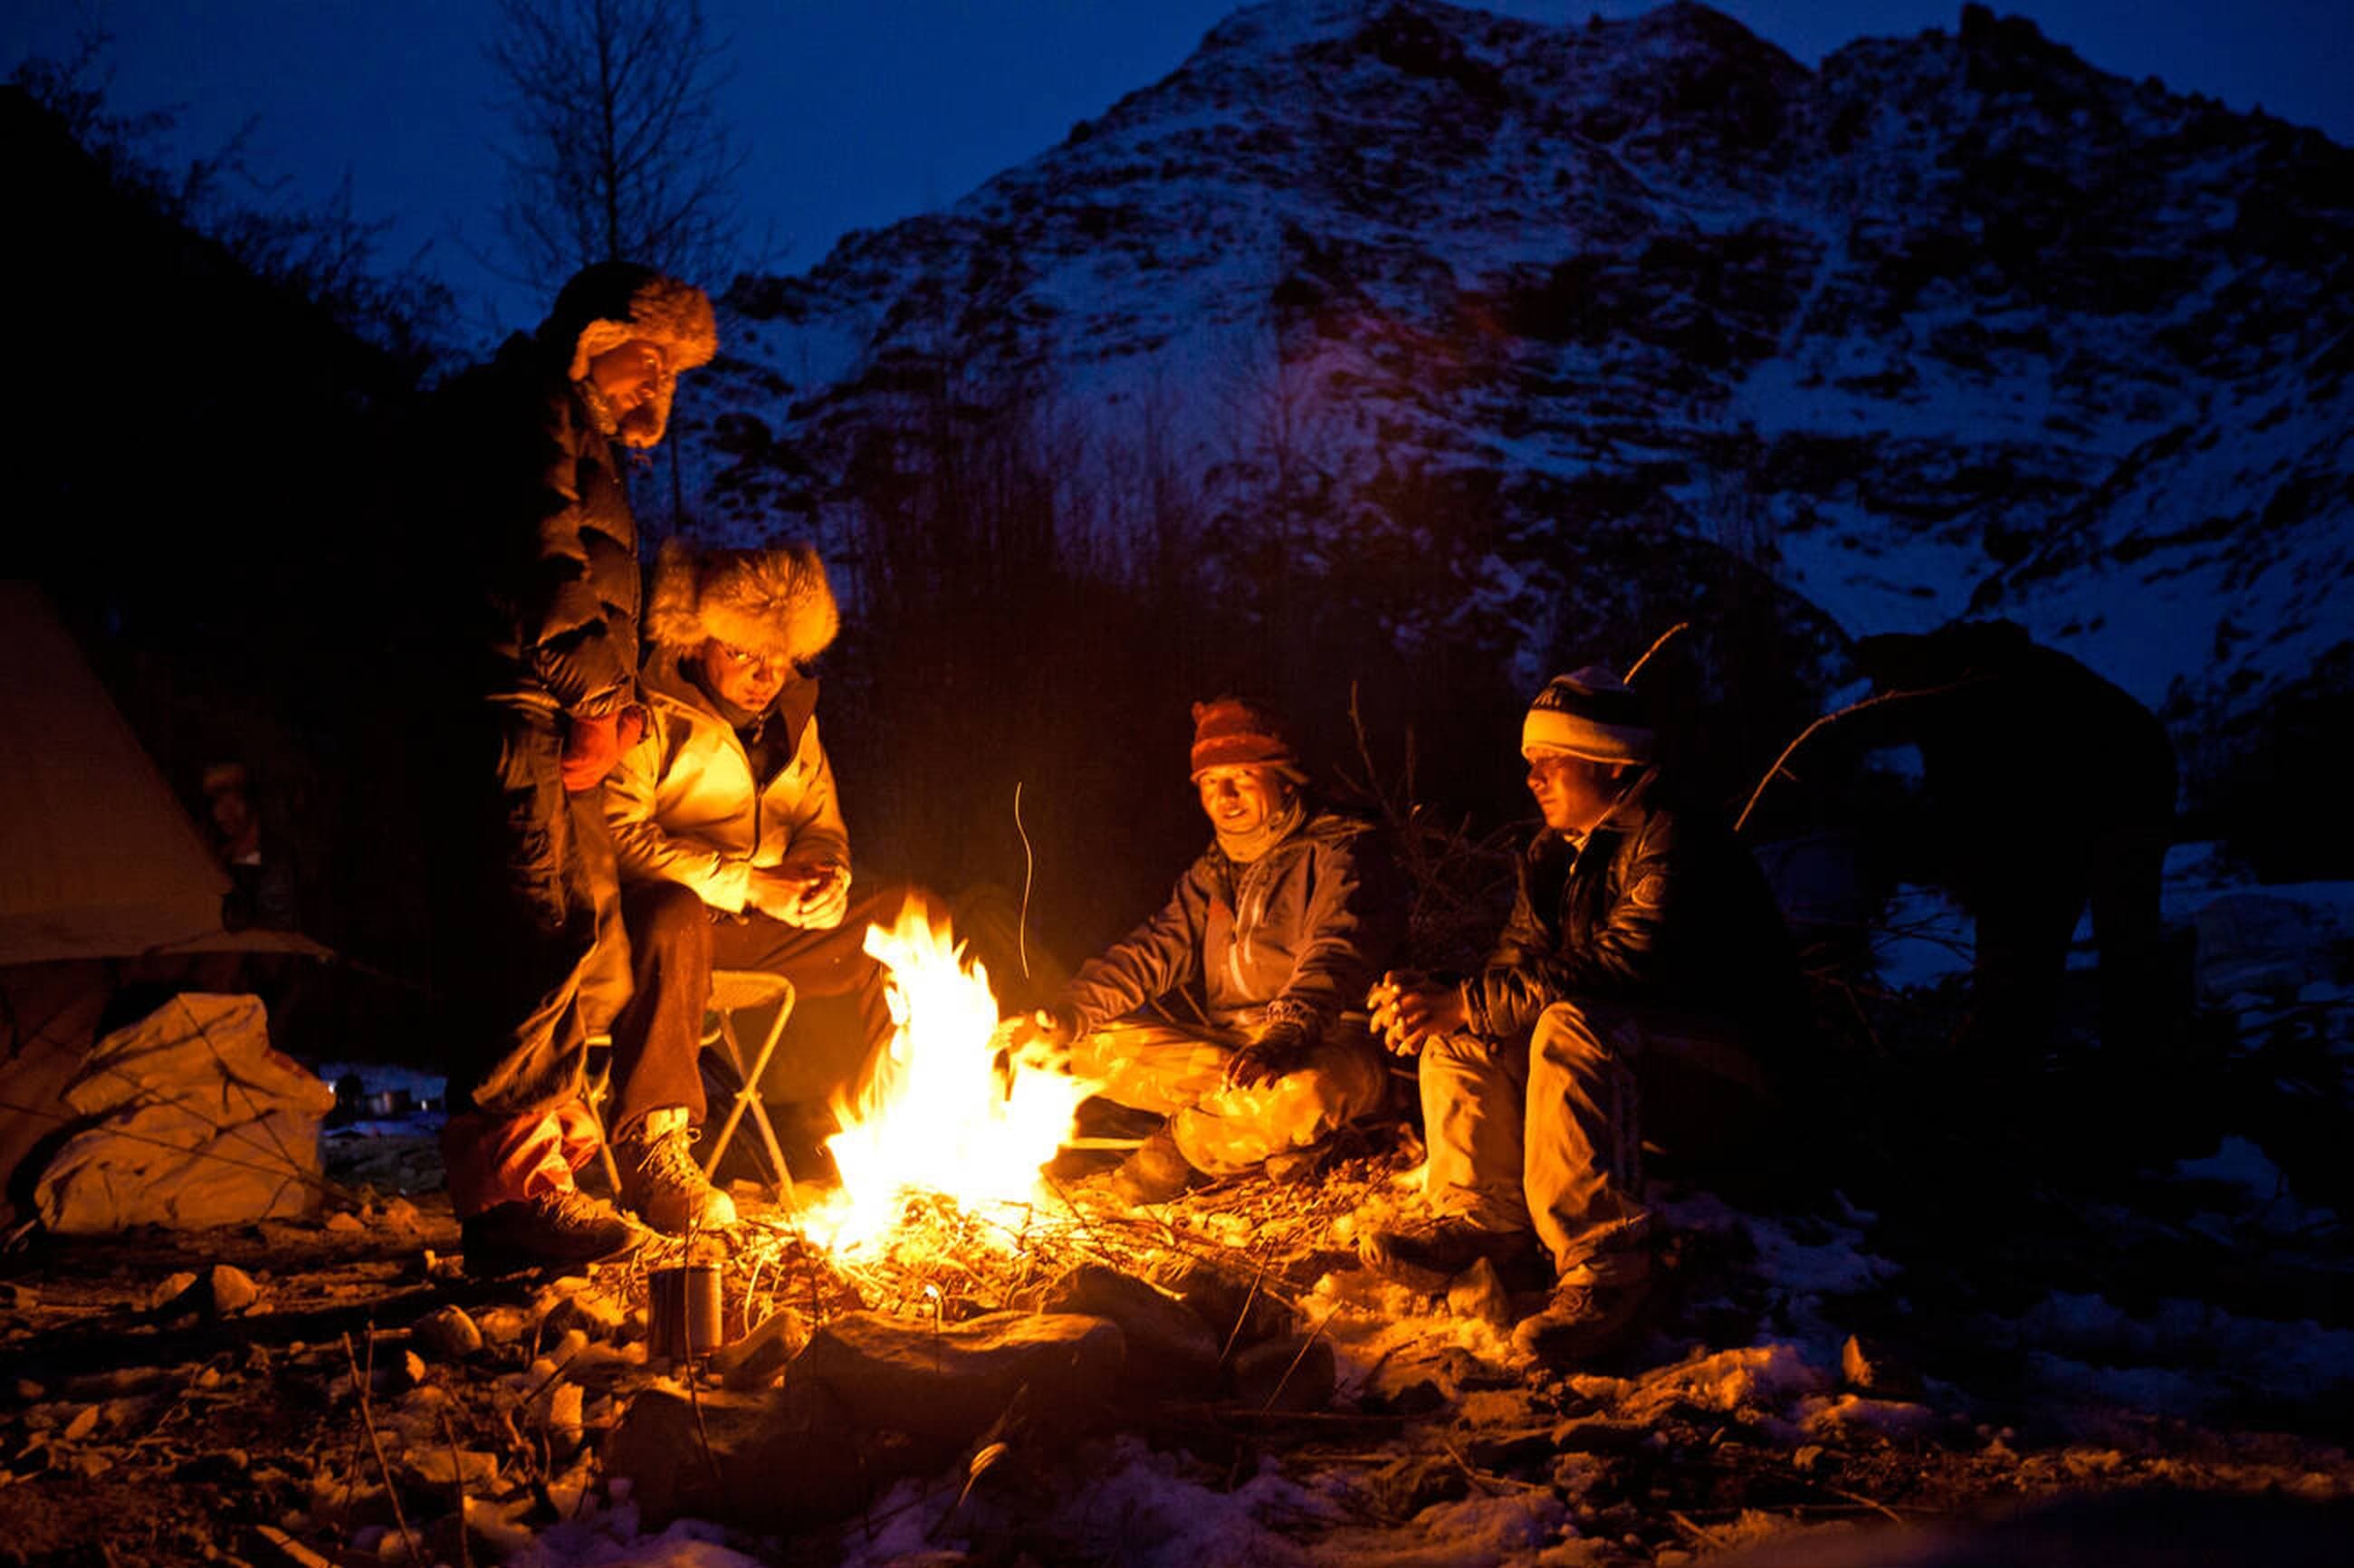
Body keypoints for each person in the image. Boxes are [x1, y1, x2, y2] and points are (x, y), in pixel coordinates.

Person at [1360, 666, 1807, 1362]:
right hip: (1633, 1062)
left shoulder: (1675, 838)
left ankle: (1607, 1266)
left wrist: (1468, 1000)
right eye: (1529, 762)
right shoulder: (1553, 857)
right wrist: (1438, 999)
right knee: (1464, 1033)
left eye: (1551, 761)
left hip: (1729, 1076)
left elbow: (1625, 968)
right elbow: (1513, 973)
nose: (1532, 777)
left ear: (1611, 763)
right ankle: (1488, 1221)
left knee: (1569, 1021)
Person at [427, 261, 719, 1274]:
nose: (659, 392)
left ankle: (548, 1178)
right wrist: (598, 697)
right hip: (524, 708)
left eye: (674, 377)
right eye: (650, 364)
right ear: (595, 340)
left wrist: (614, 706)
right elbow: (543, 558)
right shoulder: (530, 412)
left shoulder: (580, 432)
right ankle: (510, 1203)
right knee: (534, 939)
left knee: (580, 947)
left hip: (557, 715)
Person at [1003, 698, 1407, 1206]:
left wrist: (1285, 1032)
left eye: (1241, 776)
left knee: (1305, 1095)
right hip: (1236, 1057)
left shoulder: (1342, 853)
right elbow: (1153, 950)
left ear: (1284, 778)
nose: (1226, 795)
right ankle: (1268, 1142)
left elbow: (1338, 950)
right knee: (1067, 1050)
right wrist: (1065, 1014)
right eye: (1211, 783)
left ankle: (1185, 1151)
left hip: (1326, 1048)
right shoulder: (1212, 874)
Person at [600, 540, 916, 1189]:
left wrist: (827, 880)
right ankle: (655, 1150)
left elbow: (821, 826)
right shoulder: (651, 709)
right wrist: (748, 883)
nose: (764, 673)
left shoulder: (795, 721)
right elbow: (619, 836)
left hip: (759, 931)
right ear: (699, 643)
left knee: (908, 919)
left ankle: (909, 1121)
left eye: (777, 656)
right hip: (668, 935)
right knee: (675, 915)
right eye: (744, 651)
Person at [1846, 619, 2178, 1064]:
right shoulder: (1959, 684)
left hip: (2119, 790)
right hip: (2102, 784)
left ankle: (2124, 1061)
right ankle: (2057, 1048)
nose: (1878, 696)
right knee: (2050, 931)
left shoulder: (1958, 700)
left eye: (1882, 687)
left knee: (2085, 932)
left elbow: (1980, 815)